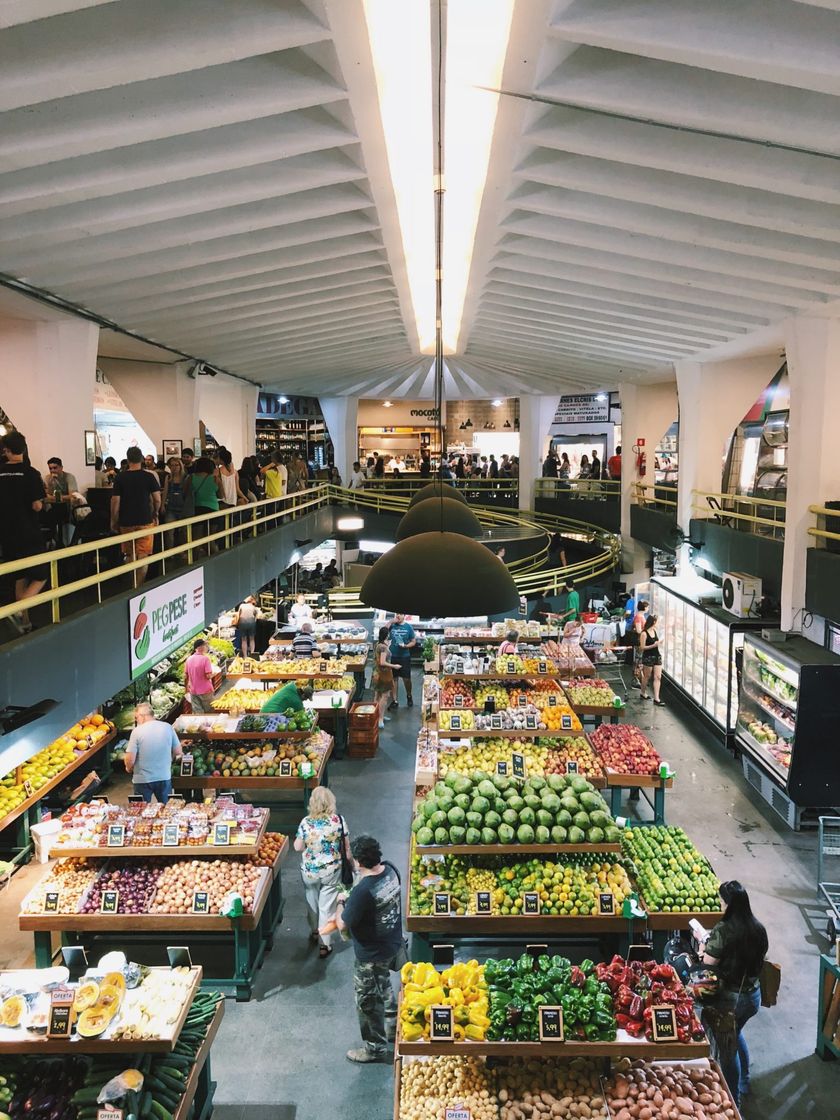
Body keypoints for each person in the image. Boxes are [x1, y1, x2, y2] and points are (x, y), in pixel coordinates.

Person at [699, 881, 768, 1107]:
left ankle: (733, 1102)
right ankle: (745, 1082)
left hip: (731, 1000)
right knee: (736, 1034)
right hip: (753, 996)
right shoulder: (758, 928)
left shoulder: (724, 929)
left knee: (727, 1051)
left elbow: (708, 965)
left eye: (722, 901)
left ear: (728, 904)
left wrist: (702, 949)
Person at [336, 834, 403, 1063]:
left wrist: (339, 903)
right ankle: (393, 1022)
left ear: (357, 862)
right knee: (383, 981)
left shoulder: (363, 891)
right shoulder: (391, 870)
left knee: (367, 1001)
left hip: (370, 956)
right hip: (392, 944)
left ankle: (374, 1048)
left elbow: (343, 923)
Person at [294, 785, 350, 958]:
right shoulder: (338, 821)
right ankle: (325, 945)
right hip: (331, 871)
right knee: (326, 907)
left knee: (312, 902)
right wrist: (353, 865)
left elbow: (297, 847)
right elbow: (347, 848)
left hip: (310, 872)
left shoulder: (306, 822)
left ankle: (314, 931)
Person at [0, 431, 48, 633]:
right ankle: (18, 610)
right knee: (41, 574)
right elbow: (37, 505)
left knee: (19, 575)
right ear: (24, 449)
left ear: (6, 450)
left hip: (5, 533)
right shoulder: (31, 473)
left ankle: (25, 624)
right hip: (28, 531)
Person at [110, 445, 161, 586]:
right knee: (143, 555)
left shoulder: (120, 477)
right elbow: (157, 499)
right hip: (145, 519)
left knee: (129, 553)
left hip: (126, 521)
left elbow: (115, 502)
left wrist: (114, 520)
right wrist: (155, 513)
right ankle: (138, 585)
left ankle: (131, 584)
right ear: (142, 459)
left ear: (127, 459)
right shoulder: (149, 477)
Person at [123, 702, 182, 803]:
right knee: (166, 810)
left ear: (143, 716)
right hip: (163, 776)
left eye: (136, 718)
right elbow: (178, 752)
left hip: (142, 779)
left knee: (141, 811)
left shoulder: (137, 732)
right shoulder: (167, 727)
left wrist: (128, 768)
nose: (136, 720)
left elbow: (130, 758)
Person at [185, 456, 223, 552]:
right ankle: (215, 560)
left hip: (197, 509)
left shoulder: (191, 477)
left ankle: (196, 563)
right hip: (214, 509)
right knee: (210, 539)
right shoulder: (215, 479)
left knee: (197, 541)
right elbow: (221, 495)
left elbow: (185, 493)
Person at [372, 625, 399, 727]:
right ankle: (380, 718)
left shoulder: (378, 645)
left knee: (377, 695)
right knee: (385, 696)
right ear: (387, 635)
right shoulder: (383, 647)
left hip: (377, 673)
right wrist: (394, 666)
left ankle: (376, 716)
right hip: (384, 675)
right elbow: (383, 662)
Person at [388, 613, 416, 708]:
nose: (398, 616)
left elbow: (413, 641)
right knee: (394, 679)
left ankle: (409, 695)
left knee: (406, 679)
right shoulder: (392, 626)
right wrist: (391, 621)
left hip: (404, 656)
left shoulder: (408, 627)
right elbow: (383, 631)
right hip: (393, 656)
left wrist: (406, 646)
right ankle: (394, 700)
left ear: (404, 616)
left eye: (400, 614)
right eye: (397, 614)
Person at [161, 456, 188, 548]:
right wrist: (162, 505)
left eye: (177, 465)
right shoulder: (168, 477)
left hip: (183, 507)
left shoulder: (186, 478)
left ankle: (183, 550)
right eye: (172, 465)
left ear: (181, 466)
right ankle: (170, 551)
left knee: (183, 531)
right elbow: (165, 492)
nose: (174, 467)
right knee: (169, 531)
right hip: (171, 507)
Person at [184, 638, 216, 713]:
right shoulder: (205, 659)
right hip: (205, 691)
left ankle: (199, 724)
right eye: (205, 645)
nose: (206, 647)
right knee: (209, 712)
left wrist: (186, 689)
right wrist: (214, 674)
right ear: (201, 647)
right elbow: (208, 676)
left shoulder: (189, 659)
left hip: (193, 691)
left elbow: (185, 675)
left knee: (197, 712)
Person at [639, 614, 664, 705]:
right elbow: (642, 647)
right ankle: (643, 692)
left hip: (657, 655)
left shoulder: (655, 631)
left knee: (658, 676)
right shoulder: (644, 633)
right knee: (647, 676)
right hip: (648, 656)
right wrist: (653, 645)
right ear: (653, 622)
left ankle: (656, 698)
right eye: (657, 622)